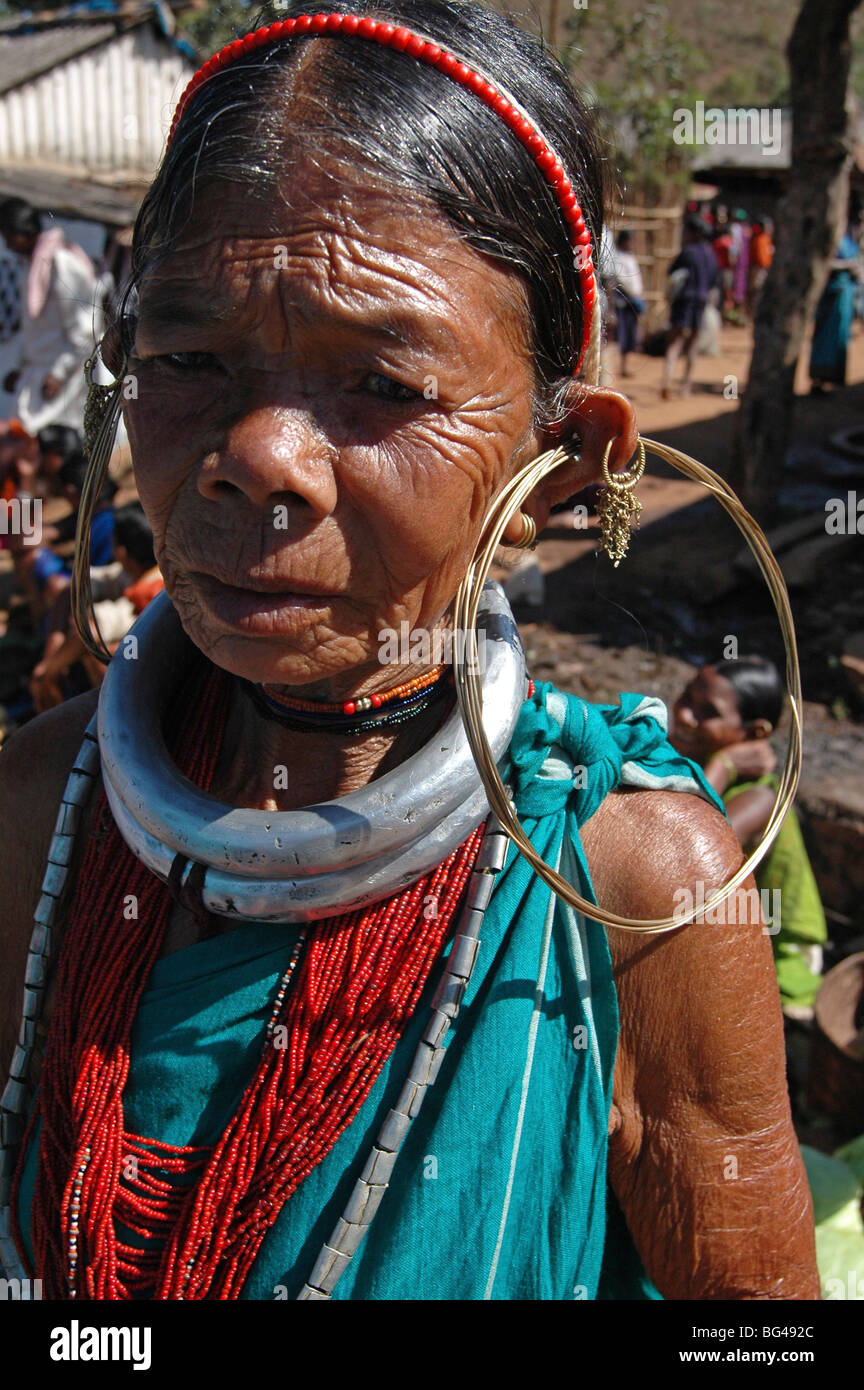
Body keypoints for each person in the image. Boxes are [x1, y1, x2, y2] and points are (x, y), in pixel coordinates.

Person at [0, 0, 817, 1302]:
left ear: (572, 462)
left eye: (382, 384)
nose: (256, 453)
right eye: (190, 356)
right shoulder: (38, 812)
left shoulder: (634, 893)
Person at [671, 658, 827, 1015]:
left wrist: (723, 767)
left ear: (755, 734)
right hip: (719, 927)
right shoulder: (690, 757)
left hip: (779, 958)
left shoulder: (761, 797)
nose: (684, 714)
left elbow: (691, 849)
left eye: (707, 711)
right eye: (686, 696)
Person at [0, 199, 102, 436]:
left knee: (48, 449)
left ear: (21, 233)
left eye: (7, 235)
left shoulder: (62, 262)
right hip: (37, 376)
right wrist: (20, 366)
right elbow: (35, 328)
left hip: (60, 380)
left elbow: (86, 330)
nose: (6, 243)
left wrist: (58, 373)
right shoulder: (34, 264)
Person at [662, 213, 720, 398]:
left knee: (675, 341)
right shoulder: (711, 255)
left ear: (694, 233)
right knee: (693, 343)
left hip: (683, 301)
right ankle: (685, 385)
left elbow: (671, 273)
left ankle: (667, 379)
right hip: (700, 302)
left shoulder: (688, 252)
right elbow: (713, 283)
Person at [809, 199, 863, 394]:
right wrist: (847, 265)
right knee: (825, 338)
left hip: (844, 298)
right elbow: (824, 262)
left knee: (840, 337)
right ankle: (818, 379)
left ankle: (832, 378)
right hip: (831, 295)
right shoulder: (831, 239)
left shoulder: (849, 241)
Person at [610, 229, 644, 377]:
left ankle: (625, 366)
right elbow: (621, 279)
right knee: (621, 334)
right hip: (624, 301)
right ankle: (616, 368)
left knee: (630, 334)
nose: (632, 243)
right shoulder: (617, 258)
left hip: (633, 301)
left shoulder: (630, 257)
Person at [747, 218, 774, 320]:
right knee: (756, 292)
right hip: (758, 269)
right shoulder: (760, 240)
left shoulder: (766, 239)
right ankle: (752, 314)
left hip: (764, 269)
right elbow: (761, 259)